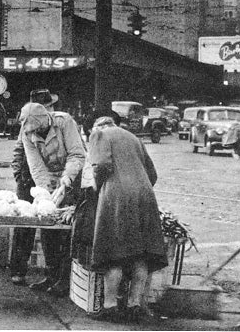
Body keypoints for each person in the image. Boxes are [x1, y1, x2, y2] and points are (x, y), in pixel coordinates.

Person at [87, 116, 167, 323]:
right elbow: (153, 174)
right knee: (140, 252)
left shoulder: (99, 134)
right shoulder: (134, 137)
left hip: (117, 196)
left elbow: (101, 164)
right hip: (145, 195)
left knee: (114, 252)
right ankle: (134, 305)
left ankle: (110, 306)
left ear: (98, 126)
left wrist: (97, 187)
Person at [12, 95, 85, 296]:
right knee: (48, 226)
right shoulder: (26, 131)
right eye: (32, 132)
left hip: (73, 174)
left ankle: (66, 279)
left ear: (45, 122)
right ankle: (52, 276)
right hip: (49, 177)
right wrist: (46, 193)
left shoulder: (64, 122)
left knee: (67, 227)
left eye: (38, 130)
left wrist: (66, 181)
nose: (34, 134)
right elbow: (35, 164)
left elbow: (77, 154)